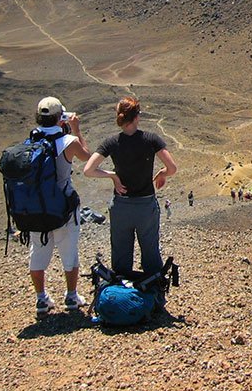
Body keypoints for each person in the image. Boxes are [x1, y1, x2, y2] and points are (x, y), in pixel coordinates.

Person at [84, 96, 177, 277]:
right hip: (145, 206)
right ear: (137, 117)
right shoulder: (151, 139)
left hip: (121, 206)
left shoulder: (111, 142)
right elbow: (172, 168)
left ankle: (121, 293)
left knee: (120, 252)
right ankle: (152, 289)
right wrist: (162, 173)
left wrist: (112, 176)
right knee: (150, 249)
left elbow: (88, 170)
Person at [29, 96, 91, 318]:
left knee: (38, 253)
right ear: (59, 118)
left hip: (37, 208)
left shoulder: (31, 141)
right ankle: (72, 295)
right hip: (64, 206)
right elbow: (88, 157)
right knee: (69, 252)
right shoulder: (68, 141)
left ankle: (41, 299)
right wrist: (76, 130)